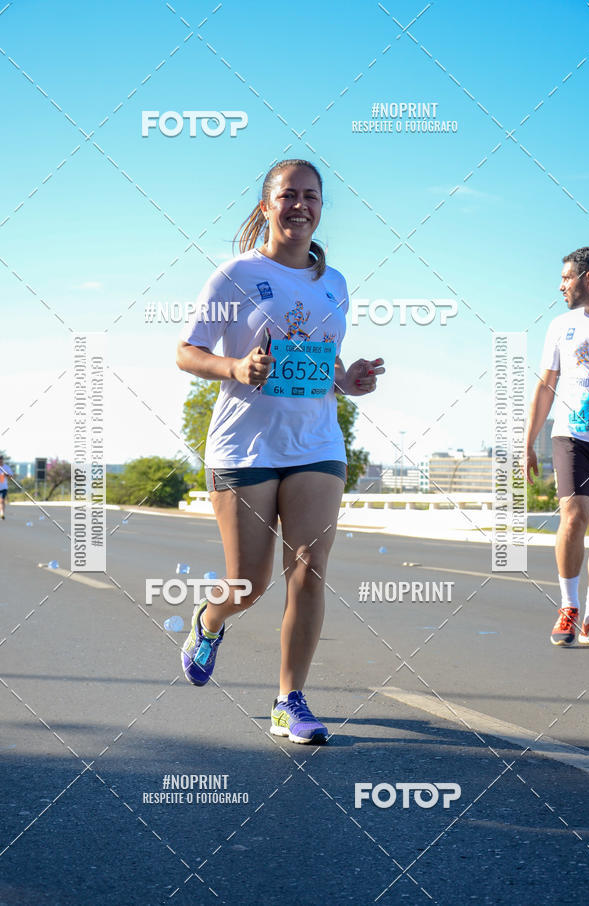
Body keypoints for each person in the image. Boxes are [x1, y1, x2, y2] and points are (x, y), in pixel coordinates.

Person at [176, 158, 384, 743]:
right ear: (266, 205)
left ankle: (289, 700)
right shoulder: (234, 275)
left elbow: (322, 360)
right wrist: (236, 367)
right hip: (245, 444)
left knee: (309, 571)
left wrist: (349, 380)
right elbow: (187, 352)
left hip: (316, 442)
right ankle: (210, 619)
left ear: (322, 208)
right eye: (288, 195)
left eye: (311, 196)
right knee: (250, 583)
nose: (300, 206)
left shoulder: (335, 283)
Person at [526, 247, 589, 647]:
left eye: (567, 278)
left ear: (588, 279)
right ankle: (568, 607)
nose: (561, 286)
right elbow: (546, 385)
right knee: (574, 515)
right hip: (571, 434)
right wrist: (527, 443)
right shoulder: (561, 325)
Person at [0, 455, 14, 520]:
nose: (0, 460)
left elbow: (11, 476)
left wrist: (7, 475)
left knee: (2, 500)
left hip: (4, 487)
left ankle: (2, 513)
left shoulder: (6, 467)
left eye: (1, 459)